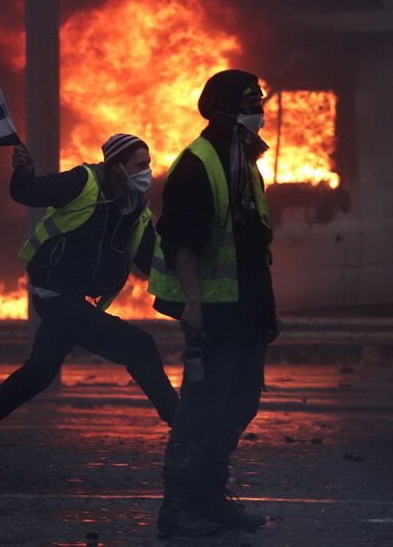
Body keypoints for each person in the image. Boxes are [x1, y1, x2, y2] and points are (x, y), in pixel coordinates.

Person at [0, 134, 179, 471]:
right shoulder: (85, 181)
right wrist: (24, 172)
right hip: (55, 295)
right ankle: (184, 432)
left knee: (38, 374)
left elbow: (150, 261)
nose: (147, 171)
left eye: (148, 164)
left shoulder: (137, 209)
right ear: (117, 167)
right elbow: (29, 193)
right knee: (140, 346)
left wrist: (189, 283)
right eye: (140, 164)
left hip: (80, 303)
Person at [149, 70, 279, 536]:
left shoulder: (244, 163)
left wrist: (265, 313)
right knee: (201, 410)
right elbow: (183, 240)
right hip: (215, 311)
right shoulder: (198, 163)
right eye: (251, 103)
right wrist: (195, 305)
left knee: (241, 403)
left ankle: (209, 496)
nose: (259, 111)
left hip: (248, 310)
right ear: (225, 109)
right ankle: (178, 508)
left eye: (259, 101)